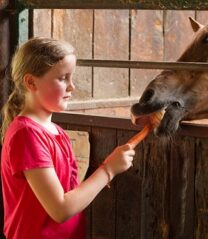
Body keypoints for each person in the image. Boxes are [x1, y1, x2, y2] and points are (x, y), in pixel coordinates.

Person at [0, 37, 135, 239]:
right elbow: (60, 209)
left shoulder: (57, 132)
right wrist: (108, 170)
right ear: (30, 82)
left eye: (71, 78)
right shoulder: (26, 134)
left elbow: (71, 196)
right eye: (63, 78)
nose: (71, 86)